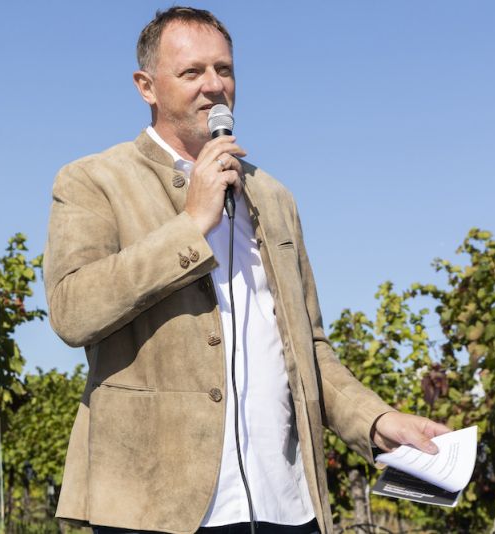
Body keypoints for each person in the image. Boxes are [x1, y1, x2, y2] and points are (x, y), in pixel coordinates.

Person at [43, 7, 449, 534]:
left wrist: (376, 420)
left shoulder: (274, 196)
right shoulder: (93, 180)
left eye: (224, 70)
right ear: (146, 86)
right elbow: (73, 311)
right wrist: (191, 225)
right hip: (155, 506)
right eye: (192, 72)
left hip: (284, 504)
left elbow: (308, 348)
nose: (214, 85)